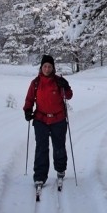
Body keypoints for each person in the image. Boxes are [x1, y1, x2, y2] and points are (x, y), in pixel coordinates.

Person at [23, 54, 73, 186]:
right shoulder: (35, 83)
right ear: (41, 67)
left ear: (53, 68)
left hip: (58, 119)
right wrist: (27, 110)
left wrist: (66, 86)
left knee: (59, 146)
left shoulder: (59, 81)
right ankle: (40, 176)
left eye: (49, 66)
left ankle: (60, 169)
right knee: (41, 149)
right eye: (45, 66)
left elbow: (68, 96)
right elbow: (29, 99)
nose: (47, 69)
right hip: (41, 120)